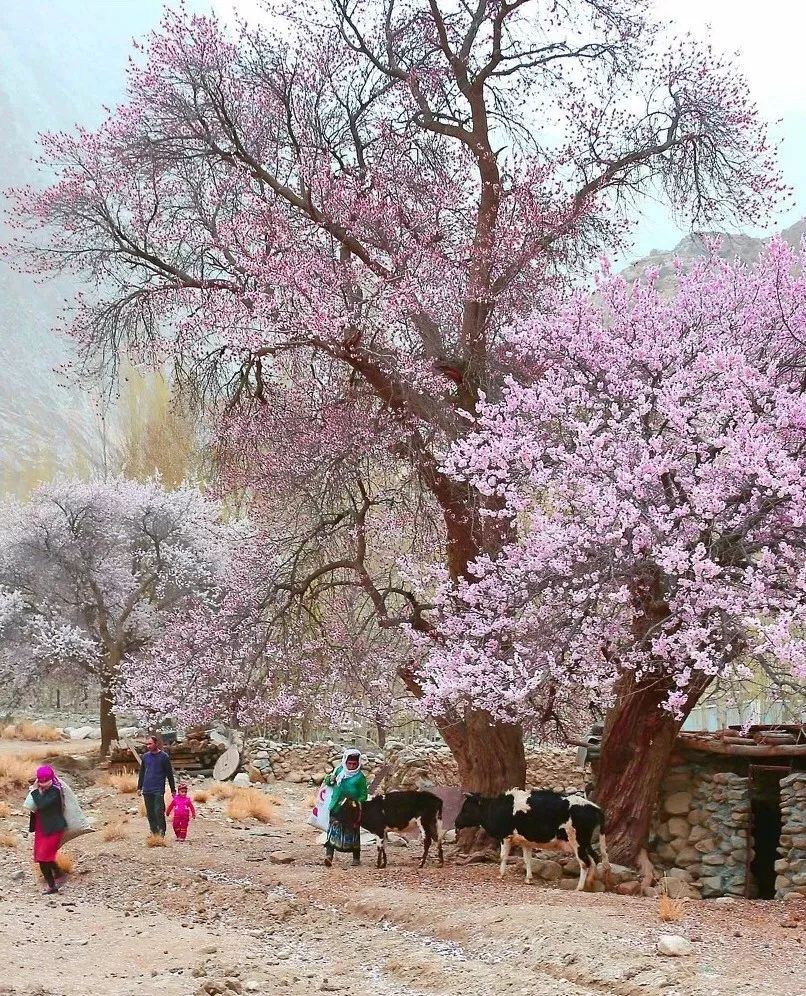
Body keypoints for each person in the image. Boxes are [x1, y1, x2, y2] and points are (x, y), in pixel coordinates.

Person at [323, 748, 368, 867]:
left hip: (351, 810)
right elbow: (328, 782)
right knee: (332, 831)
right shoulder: (338, 770)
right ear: (345, 762)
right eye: (349, 763)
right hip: (336, 806)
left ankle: (356, 857)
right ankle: (329, 856)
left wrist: (354, 802)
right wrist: (330, 779)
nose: (352, 766)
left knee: (353, 832)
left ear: (358, 763)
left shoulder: (360, 778)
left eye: (355, 764)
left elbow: (364, 796)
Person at [27, 765, 67, 895]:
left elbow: (42, 804)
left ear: (51, 778)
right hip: (42, 828)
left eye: (46, 781)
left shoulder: (55, 790)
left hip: (53, 829)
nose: (43, 784)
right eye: (41, 781)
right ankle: (59, 874)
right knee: (42, 857)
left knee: (44, 857)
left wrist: (34, 790)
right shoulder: (43, 789)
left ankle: (52, 885)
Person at [137, 734, 176, 836]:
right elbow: (142, 773)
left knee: (158, 810)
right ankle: (154, 832)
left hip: (158, 788)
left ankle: (162, 831)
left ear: (156, 743)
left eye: (150, 744)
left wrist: (173, 790)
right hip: (147, 788)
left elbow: (169, 774)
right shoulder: (145, 757)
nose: (148, 746)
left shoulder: (164, 757)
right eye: (147, 744)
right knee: (150, 812)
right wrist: (139, 787)